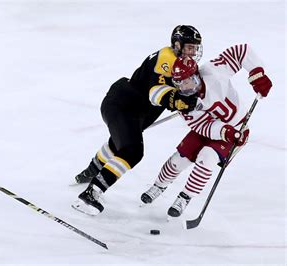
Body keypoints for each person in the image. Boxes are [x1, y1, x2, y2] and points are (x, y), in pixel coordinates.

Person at [72, 25, 203, 215]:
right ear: (177, 44)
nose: (194, 51)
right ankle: (92, 192)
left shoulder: (181, 62)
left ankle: (91, 171)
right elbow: (155, 93)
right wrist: (176, 100)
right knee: (132, 151)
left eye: (196, 48)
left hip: (132, 110)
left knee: (119, 144)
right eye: (190, 47)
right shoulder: (167, 59)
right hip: (123, 106)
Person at [140, 44, 272, 217]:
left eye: (188, 81)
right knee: (178, 159)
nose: (185, 88)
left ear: (196, 75)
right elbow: (202, 126)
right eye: (180, 84)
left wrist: (257, 73)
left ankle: (185, 197)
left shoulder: (212, 71)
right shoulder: (184, 102)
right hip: (212, 130)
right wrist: (224, 131)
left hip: (237, 129)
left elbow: (241, 51)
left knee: (207, 158)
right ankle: (159, 185)